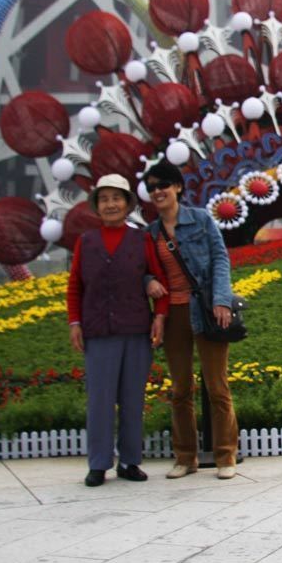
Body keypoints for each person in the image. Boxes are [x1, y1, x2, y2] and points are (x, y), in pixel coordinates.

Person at [66, 174, 168, 487]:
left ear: (127, 203)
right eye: (105, 199)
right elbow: (75, 286)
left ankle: (129, 461)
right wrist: (74, 322)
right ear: (97, 205)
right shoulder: (87, 241)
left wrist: (160, 317)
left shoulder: (142, 239)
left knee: (132, 399)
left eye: (117, 198)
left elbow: (157, 277)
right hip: (99, 331)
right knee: (99, 401)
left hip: (136, 330)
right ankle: (98, 464)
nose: (111, 204)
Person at [143, 159, 240, 480]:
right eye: (152, 187)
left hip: (207, 309)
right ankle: (186, 457)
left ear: (178, 187)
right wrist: (148, 283)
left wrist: (222, 300)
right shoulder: (151, 233)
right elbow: (143, 270)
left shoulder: (199, 220)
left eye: (163, 185)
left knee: (217, 386)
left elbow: (220, 259)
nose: (158, 192)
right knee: (180, 388)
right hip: (172, 315)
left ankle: (226, 456)